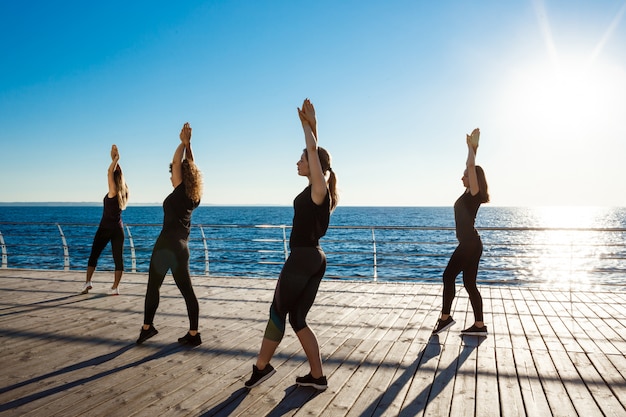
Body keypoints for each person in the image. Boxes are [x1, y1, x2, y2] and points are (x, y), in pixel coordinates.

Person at [245, 99, 339, 390]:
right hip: (314, 258)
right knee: (298, 318)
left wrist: (306, 127)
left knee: (277, 311)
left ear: (313, 165)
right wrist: (313, 125)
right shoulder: (316, 188)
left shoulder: (319, 187)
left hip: (303, 258)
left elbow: (314, 152)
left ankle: (261, 367)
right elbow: (316, 153)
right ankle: (317, 376)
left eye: (301, 159)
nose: (297, 162)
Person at [136, 122, 204, 346]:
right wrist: (189, 146)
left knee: (153, 286)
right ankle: (194, 334)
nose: (170, 177)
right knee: (187, 292)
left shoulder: (178, 193)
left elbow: (178, 162)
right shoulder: (193, 196)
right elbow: (188, 164)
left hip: (166, 245)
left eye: (172, 174)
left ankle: (147, 328)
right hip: (182, 247)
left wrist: (183, 143)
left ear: (181, 175)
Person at [432, 128, 490, 337]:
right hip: (472, 244)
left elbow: (471, 166)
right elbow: (469, 167)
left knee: (448, 276)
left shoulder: (474, 194)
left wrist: (472, 148)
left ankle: (446, 318)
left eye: (465, 175)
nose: (462, 177)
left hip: (469, 245)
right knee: (469, 284)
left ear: (473, 178)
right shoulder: (468, 193)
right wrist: (473, 148)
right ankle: (479, 325)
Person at [81, 144, 129, 295]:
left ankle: (88, 282)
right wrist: (114, 159)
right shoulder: (125, 191)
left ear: (113, 180)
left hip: (105, 228)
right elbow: (116, 173)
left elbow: (109, 172)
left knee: (94, 255)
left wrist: (116, 159)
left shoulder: (113, 191)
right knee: (118, 259)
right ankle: (115, 287)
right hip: (118, 229)